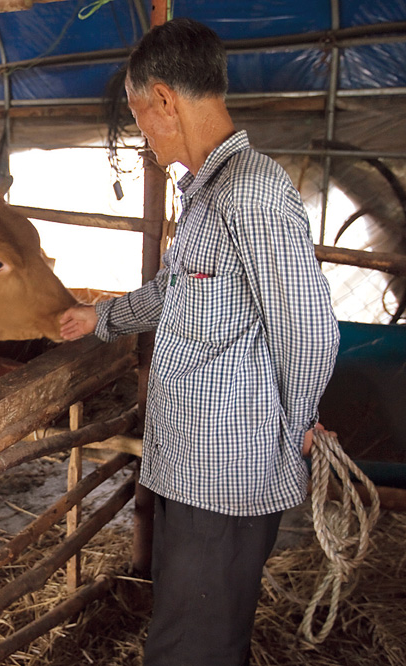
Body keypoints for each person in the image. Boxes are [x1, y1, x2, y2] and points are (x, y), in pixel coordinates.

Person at [60, 17, 340, 666]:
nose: (141, 133)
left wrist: (296, 423)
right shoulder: (209, 195)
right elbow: (173, 293)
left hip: (226, 479)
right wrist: (99, 318)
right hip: (194, 470)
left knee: (192, 647)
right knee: (195, 633)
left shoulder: (252, 191)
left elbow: (309, 329)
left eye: (138, 115)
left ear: (164, 100)